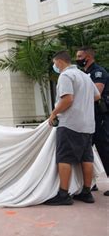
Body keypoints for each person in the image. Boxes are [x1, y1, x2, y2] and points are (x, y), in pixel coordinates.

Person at [45, 51, 100, 205]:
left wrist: (53, 113)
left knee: (64, 158)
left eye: (55, 63)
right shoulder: (84, 76)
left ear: (60, 62)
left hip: (70, 123)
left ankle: (63, 194)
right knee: (86, 158)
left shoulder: (65, 76)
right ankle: (86, 192)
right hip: (88, 124)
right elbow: (97, 96)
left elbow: (67, 99)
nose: (54, 66)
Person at [76, 46, 109, 196]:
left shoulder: (98, 72)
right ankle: (91, 183)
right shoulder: (85, 73)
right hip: (88, 119)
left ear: (87, 57)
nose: (77, 59)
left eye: (79, 56)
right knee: (86, 151)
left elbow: (97, 93)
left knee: (105, 149)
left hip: (100, 118)